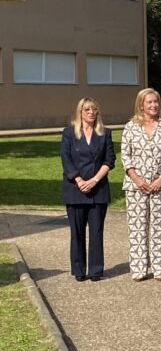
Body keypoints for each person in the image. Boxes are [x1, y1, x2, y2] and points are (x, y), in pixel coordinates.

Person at [121, 88, 161, 281]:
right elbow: (125, 155)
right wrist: (136, 179)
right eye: (149, 102)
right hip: (135, 186)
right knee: (137, 228)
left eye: (156, 102)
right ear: (141, 105)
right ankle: (139, 269)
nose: (153, 105)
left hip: (160, 186)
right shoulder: (130, 126)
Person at [60, 98, 115, 282]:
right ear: (80, 112)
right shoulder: (69, 133)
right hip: (75, 190)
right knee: (77, 232)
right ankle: (79, 270)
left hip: (98, 189)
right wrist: (78, 179)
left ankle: (96, 270)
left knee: (96, 232)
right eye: (87, 109)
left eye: (94, 109)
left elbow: (109, 160)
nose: (91, 112)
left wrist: (95, 180)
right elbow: (66, 159)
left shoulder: (105, 133)